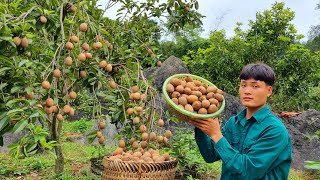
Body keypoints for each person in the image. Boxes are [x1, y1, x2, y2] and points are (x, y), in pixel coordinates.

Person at [190, 63, 292, 180]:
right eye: (243, 85)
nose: (247, 91)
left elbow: (248, 172)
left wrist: (216, 134)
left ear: (269, 91)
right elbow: (210, 155)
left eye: (255, 86)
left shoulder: (275, 130)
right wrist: (200, 123)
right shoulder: (234, 123)